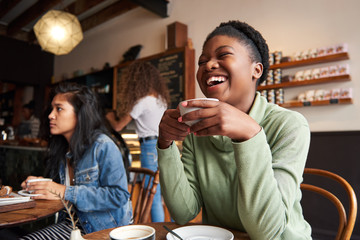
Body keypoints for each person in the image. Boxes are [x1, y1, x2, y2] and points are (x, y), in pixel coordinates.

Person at [157, 20, 312, 239]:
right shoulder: (198, 131)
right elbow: (183, 212)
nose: (208, 65)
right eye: (202, 61)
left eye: (223, 55)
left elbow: (267, 232)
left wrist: (250, 135)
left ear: (256, 69)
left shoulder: (289, 125)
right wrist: (165, 144)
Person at [19, 82, 132, 239]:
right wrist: (42, 185)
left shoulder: (102, 145)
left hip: (103, 230)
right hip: (73, 225)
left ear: (80, 113)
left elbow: (118, 195)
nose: (50, 115)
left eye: (59, 108)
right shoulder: (64, 148)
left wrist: (63, 191)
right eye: (52, 109)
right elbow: (66, 192)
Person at [106, 61, 170, 222]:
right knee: (160, 192)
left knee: (151, 193)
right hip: (162, 145)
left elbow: (119, 126)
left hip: (148, 147)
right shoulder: (161, 100)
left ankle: (159, 233)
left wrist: (110, 116)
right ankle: (164, 231)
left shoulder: (142, 102)